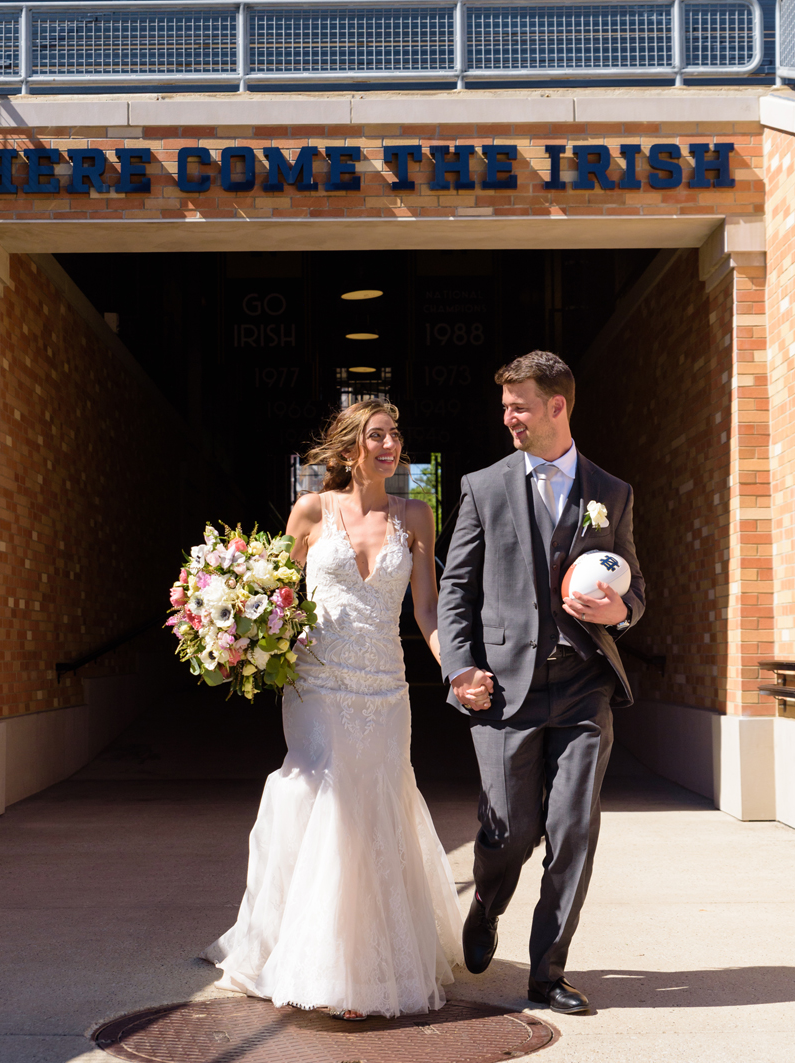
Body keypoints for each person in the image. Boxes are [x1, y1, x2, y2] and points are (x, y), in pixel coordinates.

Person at [206, 400, 464, 1020]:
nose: (391, 445)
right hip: (317, 685)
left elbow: (427, 612)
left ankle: (374, 961)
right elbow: (271, 594)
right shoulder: (311, 511)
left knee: (379, 800)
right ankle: (326, 964)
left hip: (385, 687)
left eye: (396, 435)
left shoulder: (417, 516)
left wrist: (453, 669)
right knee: (332, 804)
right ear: (350, 448)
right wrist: (237, 636)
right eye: (378, 436)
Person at [437, 350, 645, 1016]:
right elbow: (455, 587)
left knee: (574, 828)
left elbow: (635, 585)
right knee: (510, 831)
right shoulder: (483, 485)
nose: (508, 417)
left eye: (518, 405)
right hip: (504, 689)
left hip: (584, 684)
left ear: (557, 406)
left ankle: (546, 971)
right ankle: (487, 900)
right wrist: (459, 665)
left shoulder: (611, 493)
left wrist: (622, 609)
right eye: (505, 406)